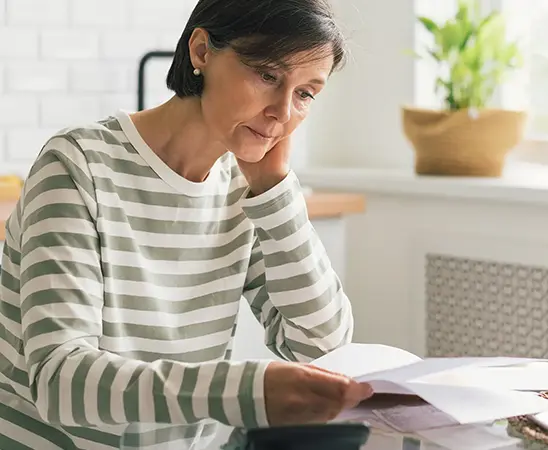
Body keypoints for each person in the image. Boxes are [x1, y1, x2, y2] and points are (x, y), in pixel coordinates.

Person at [0, 0, 374, 448]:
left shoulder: (246, 189)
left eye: (305, 94)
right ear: (201, 51)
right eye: (268, 75)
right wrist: (243, 392)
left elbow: (323, 348)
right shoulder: (78, 164)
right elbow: (60, 382)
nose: (282, 112)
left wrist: (276, 193)